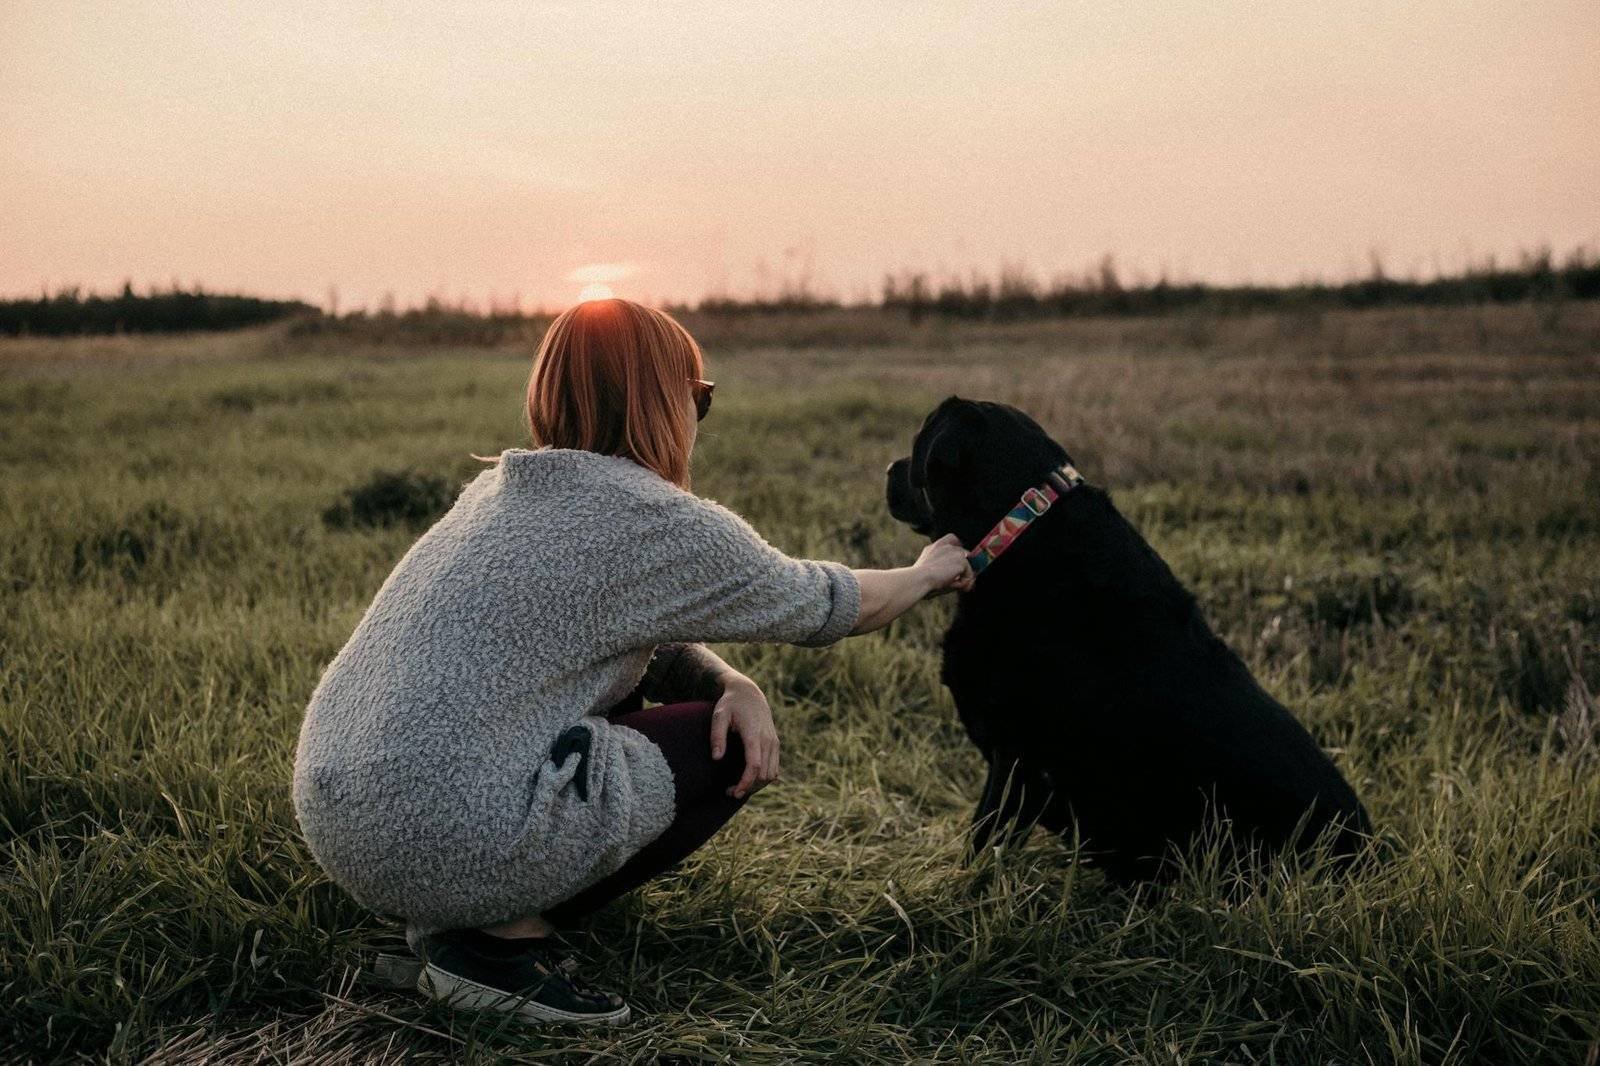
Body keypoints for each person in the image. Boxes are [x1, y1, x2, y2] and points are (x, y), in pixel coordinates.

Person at [292, 298, 972, 1025]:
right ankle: (495, 950)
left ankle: (460, 915)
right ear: (663, 401)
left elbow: (629, 631)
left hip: (344, 824)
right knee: (724, 749)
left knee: (661, 703)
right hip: (445, 826)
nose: (697, 415)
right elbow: (830, 604)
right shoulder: (649, 517)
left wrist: (733, 680)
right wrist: (930, 570)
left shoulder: (499, 492)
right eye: (698, 397)